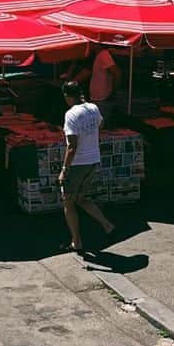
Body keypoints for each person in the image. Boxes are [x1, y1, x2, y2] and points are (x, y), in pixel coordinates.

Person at [58, 80, 115, 255]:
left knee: (68, 202)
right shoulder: (93, 108)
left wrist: (64, 170)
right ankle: (107, 224)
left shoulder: (71, 115)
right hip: (93, 159)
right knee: (81, 198)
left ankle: (76, 241)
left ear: (67, 96)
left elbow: (72, 146)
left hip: (78, 163)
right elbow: (101, 124)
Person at [77, 47, 121, 123]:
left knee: (99, 127)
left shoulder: (104, 54)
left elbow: (117, 73)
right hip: (98, 99)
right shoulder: (97, 55)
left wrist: (112, 91)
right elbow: (86, 72)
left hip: (102, 99)